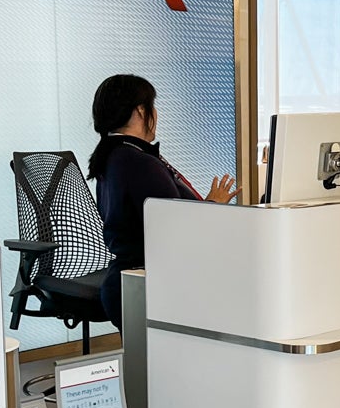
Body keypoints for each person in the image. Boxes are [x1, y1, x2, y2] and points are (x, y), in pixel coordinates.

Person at [87, 74, 235, 328]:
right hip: (151, 286)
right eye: (153, 106)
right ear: (141, 111)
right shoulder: (137, 162)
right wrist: (214, 206)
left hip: (131, 284)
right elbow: (175, 228)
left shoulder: (115, 156)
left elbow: (161, 218)